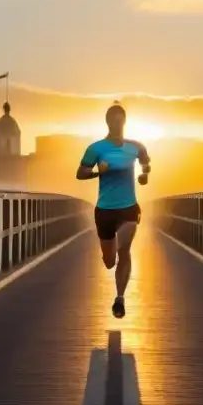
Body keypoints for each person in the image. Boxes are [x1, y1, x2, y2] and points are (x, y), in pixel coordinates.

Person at [76, 102, 150, 318]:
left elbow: (146, 166)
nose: (117, 124)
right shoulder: (96, 148)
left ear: (124, 122)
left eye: (120, 120)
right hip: (104, 210)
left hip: (128, 208)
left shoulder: (136, 146)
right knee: (110, 262)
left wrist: (144, 175)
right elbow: (80, 174)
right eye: (113, 120)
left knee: (124, 249)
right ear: (107, 122)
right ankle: (110, 255)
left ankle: (119, 299)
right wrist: (99, 172)